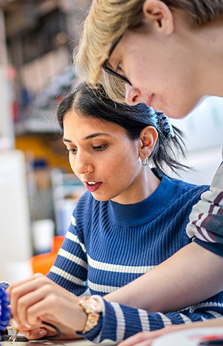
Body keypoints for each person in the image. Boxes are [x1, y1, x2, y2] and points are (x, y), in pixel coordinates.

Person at [0, 82, 223, 343]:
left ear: (145, 142)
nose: (81, 166)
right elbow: (57, 296)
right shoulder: (89, 209)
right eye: (72, 149)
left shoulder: (201, 213)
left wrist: (93, 319)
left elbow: (207, 325)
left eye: (98, 147)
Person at [72, 1, 223, 344]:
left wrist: (90, 313)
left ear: (158, 17)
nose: (131, 94)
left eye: (121, 65)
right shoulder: (87, 211)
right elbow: (216, 249)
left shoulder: (185, 203)